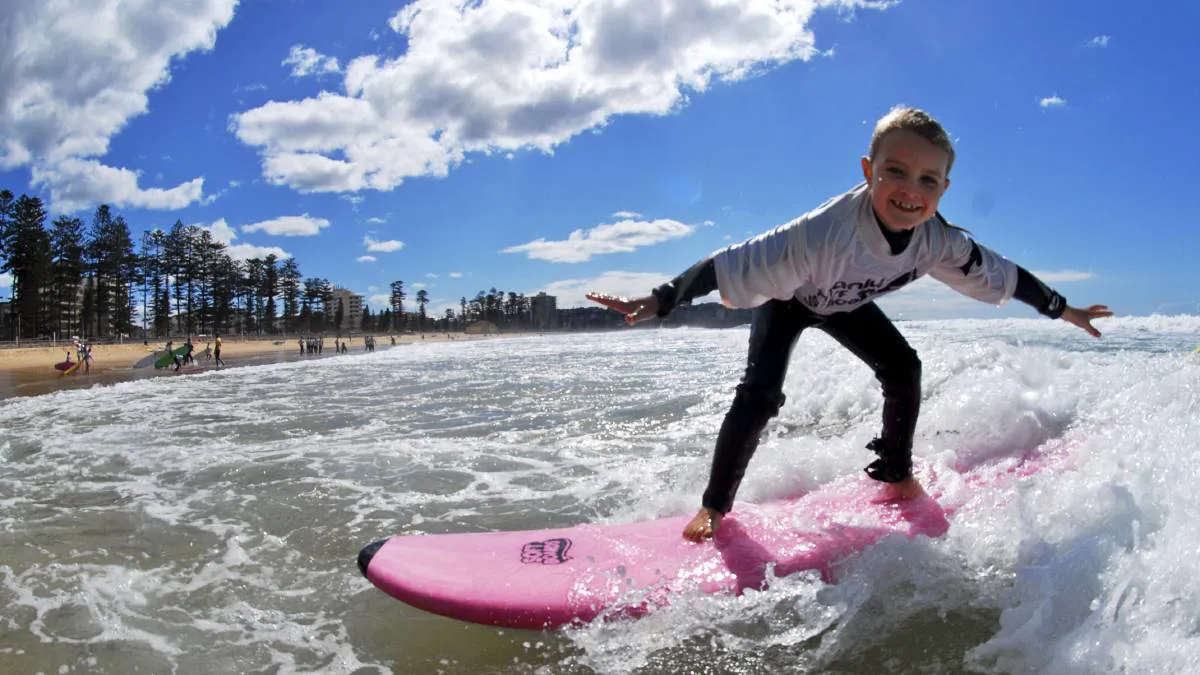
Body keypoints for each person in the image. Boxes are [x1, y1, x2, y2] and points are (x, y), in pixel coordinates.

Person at [587, 106, 1112, 543]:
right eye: (896, 172)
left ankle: (896, 476)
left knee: (903, 367)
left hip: (843, 302)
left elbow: (1006, 275)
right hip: (788, 299)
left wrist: (1066, 310)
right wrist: (658, 300)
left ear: (944, 188)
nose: (911, 190)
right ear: (868, 170)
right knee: (761, 395)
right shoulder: (821, 234)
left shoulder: (939, 240)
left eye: (928, 179)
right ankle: (713, 507)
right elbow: (727, 264)